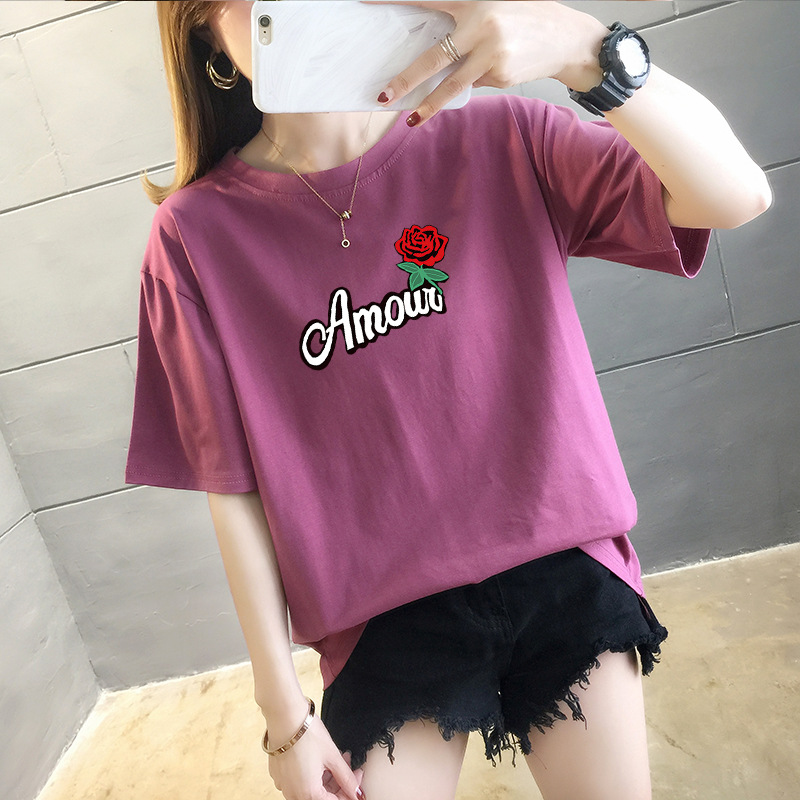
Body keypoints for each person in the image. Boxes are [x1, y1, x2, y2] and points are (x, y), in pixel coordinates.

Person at [124, 2, 772, 799]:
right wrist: (282, 712)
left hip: (560, 565)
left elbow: (737, 194)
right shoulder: (194, 239)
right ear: (202, 32)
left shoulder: (499, 137)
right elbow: (234, 490)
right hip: (380, 619)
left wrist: (584, 48)